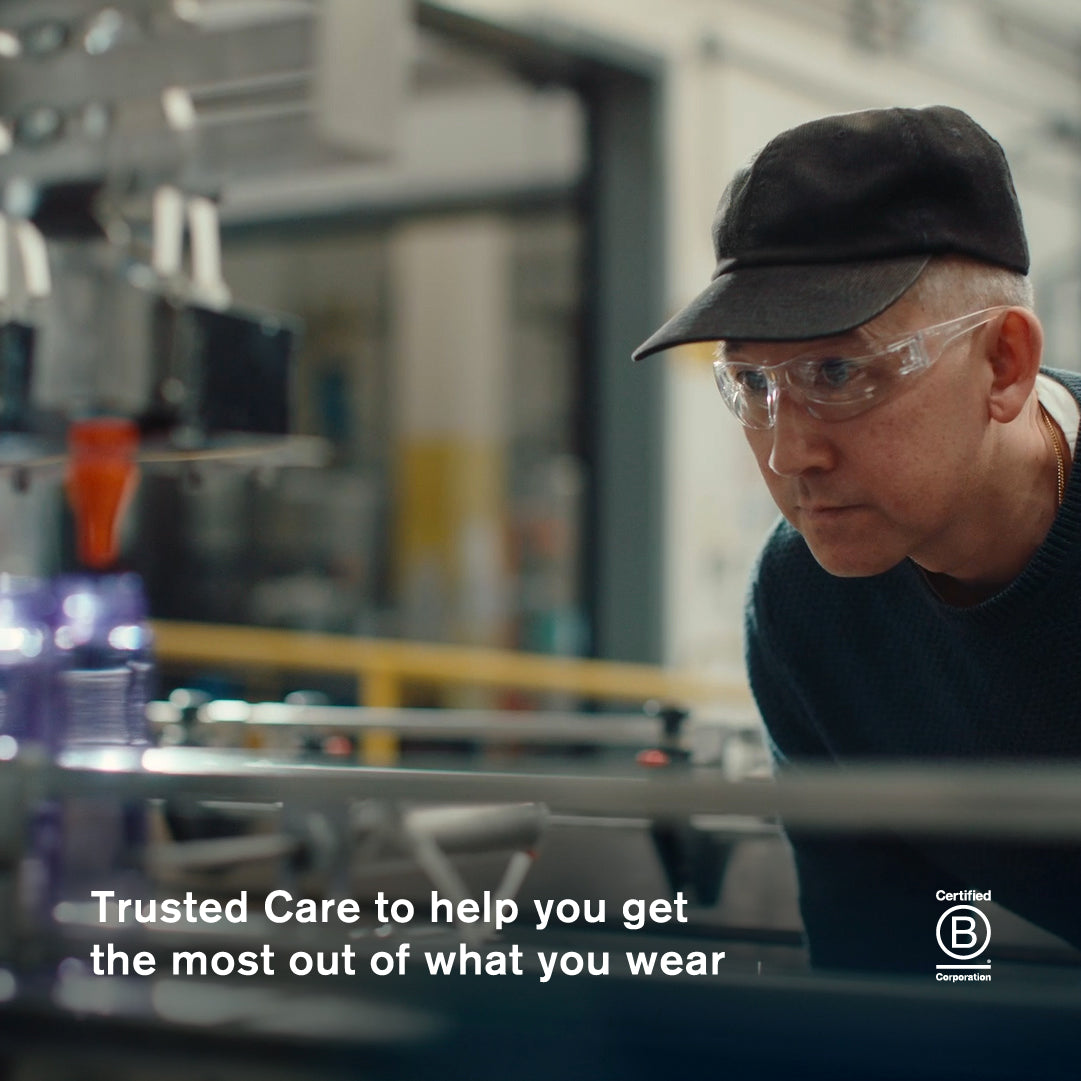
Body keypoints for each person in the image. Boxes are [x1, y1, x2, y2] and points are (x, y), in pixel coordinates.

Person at [633, 104, 1081, 972]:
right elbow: (881, 969)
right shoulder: (808, 606)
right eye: (753, 385)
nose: (786, 450)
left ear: (1003, 365)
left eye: (837, 372)